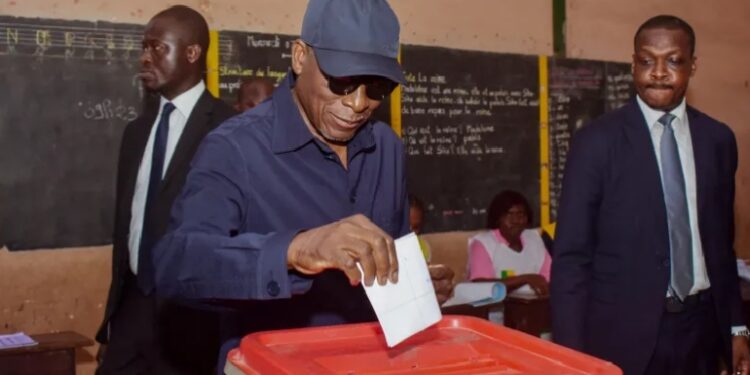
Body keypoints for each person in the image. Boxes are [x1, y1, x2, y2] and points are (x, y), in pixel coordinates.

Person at [151, 0, 454, 371]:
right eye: (342, 80)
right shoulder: (235, 147)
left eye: (376, 87)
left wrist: (415, 292)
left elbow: (386, 264)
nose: (358, 104)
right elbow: (175, 264)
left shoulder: (386, 149)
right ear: (299, 57)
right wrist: (294, 251)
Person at [551, 15, 750, 375]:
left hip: (702, 331)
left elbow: (721, 247)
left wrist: (736, 327)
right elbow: (571, 260)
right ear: (633, 64)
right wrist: (571, 357)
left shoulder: (718, 141)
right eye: (647, 61)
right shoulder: (595, 143)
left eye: (673, 60)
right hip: (621, 337)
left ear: (693, 65)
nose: (658, 72)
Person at [96, 5, 236, 374]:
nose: (145, 57)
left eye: (158, 48)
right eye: (144, 47)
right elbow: (125, 227)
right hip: (131, 311)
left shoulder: (230, 130)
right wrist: (112, 320)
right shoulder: (136, 133)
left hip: (190, 319)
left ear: (192, 53)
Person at [467, 190, 551, 297]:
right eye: (509, 215)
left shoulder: (534, 239)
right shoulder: (482, 244)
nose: (515, 221)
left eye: (520, 215)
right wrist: (525, 279)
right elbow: (480, 285)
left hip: (533, 308)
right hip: (495, 311)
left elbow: (548, 277)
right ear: (497, 218)